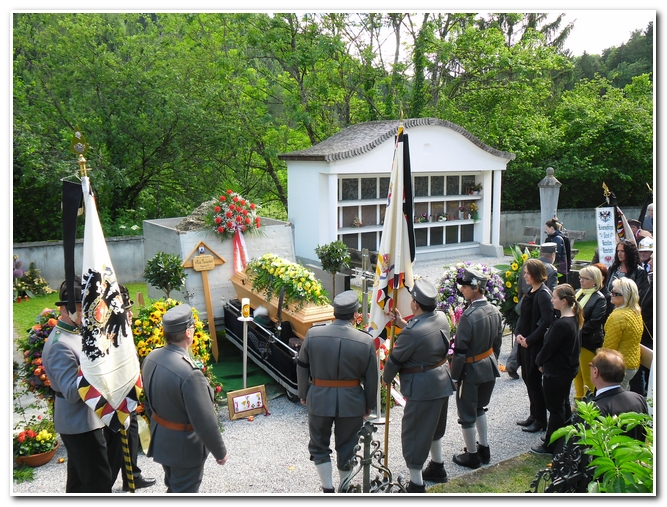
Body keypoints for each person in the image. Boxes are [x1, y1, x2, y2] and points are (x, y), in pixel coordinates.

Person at [296, 290, 378, 493]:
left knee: (318, 446)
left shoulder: (313, 334)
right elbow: (371, 378)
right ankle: (345, 489)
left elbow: (302, 365)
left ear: (335, 313)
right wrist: (369, 406)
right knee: (348, 446)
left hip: (319, 398)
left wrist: (303, 393)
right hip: (351, 401)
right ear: (355, 315)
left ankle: (327, 489)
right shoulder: (365, 341)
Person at [142, 304, 228, 493]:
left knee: (174, 487)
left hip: (162, 438)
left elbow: (148, 402)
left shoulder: (151, 357)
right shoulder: (189, 372)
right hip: (184, 448)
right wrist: (220, 451)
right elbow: (205, 420)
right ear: (189, 333)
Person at [41, 277, 114, 493]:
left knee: (79, 484)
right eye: (83, 309)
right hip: (78, 423)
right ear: (66, 310)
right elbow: (72, 393)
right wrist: (94, 361)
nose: (88, 314)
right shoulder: (60, 345)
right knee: (98, 483)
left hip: (86, 420)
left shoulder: (75, 333)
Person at [382, 278, 455, 493]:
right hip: (441, 382)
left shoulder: (412, 332)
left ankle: (416, 485)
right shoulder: (441, 317)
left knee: (414, 434)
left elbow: (395, 359)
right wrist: (403, 325)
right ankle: (438, 467)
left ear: (415, 304)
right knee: (434, 428)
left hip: (422, 388)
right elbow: (424, 333)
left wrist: (385, 379)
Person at [450, 268, 503, 469]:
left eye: (465, 287)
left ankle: (472, 455)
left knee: (467, 414)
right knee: (480, 408)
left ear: (475, 289)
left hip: (471, 371)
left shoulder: (469, 316)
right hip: (488, 366)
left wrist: (455, 376)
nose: (462, 290)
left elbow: (460, 351)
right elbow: (497, 343)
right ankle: (484, 448)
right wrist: (491, 362)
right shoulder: (495, 311)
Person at [104, 285, 156, 491]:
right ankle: (103, 484)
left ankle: (132, 476)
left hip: (128, 394)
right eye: (127, 310)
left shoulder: (122, 331)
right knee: (116, 444)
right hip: (116, 397)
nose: (131, 313)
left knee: (130, 434)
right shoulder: (111, 335)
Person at [531, 284, 582, 455]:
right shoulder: (573, 318)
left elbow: (549, 347)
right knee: (563, 405)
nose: (551, 300)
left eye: (554, 297)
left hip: (556, 372)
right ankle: (564, 437)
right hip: (566, 370)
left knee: (555, 409)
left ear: (564, 301)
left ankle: (551, 444)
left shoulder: (562, 324)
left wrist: (538, 361)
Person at [515, 259, 554, 433]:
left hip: (534, 345)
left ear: (536, 274)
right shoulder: (531, 291)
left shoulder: (543, 294)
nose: (525, 276)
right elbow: (523, 317)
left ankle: (540, 420)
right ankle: (533, 414)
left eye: (528, 273)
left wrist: (529, 339)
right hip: (525, 344)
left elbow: (546, 321)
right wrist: (519, 335)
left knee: (534, 381)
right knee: (528, 379)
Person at [589, 348, 649, 441]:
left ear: (595, 372)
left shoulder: (594, 409)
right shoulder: (639, 399)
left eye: (591, 366)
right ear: (624, 373)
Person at [572, 266, 607, 402]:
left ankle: (587, 402)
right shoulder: (577, 293)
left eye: (585, 278)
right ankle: (578, 398)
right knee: (576, 373)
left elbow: (594, 322)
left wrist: (575, 332)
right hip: (576, 340)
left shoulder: (599, 299)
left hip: (588, 342)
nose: (581, 280)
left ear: (594, 281)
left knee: (588, 375)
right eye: (580, 277)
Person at [603, 278, 643, 391]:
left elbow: (609, 347)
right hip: (633, 363)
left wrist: (599, 365)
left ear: (626, 296)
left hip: (618, 365)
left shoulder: (618, 316)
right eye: (612, 291)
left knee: (613, 400)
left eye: (616, 293)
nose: (611, 294)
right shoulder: (635, 312)